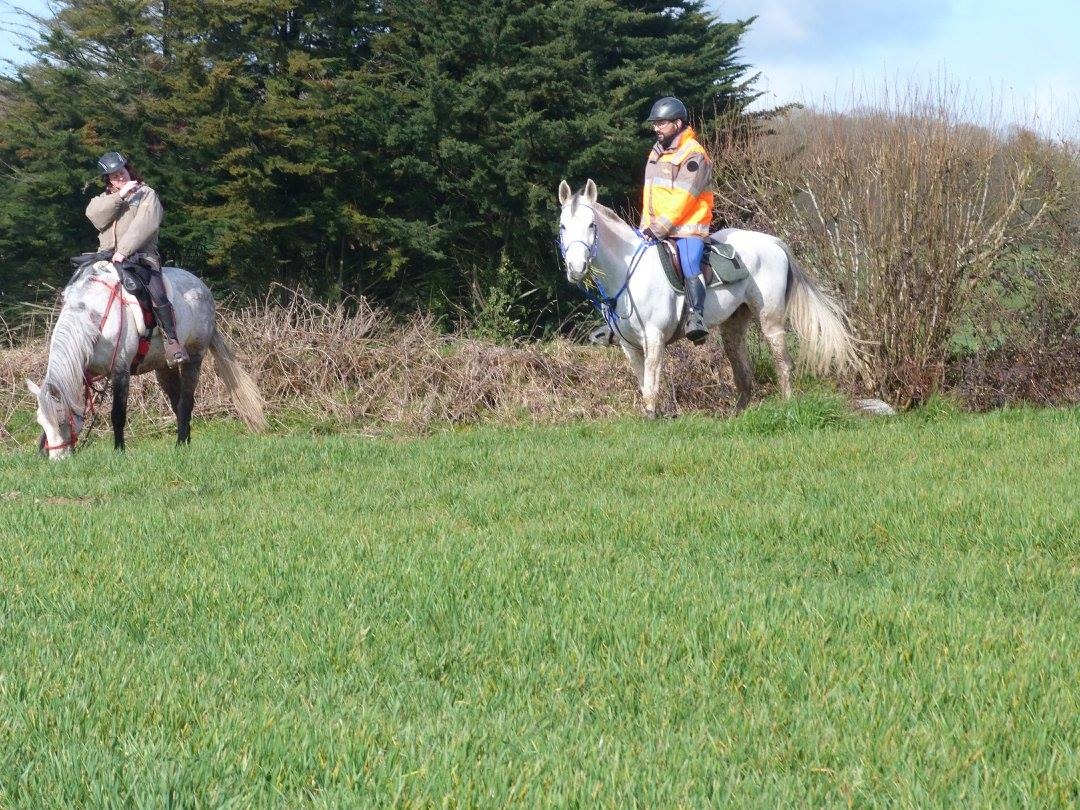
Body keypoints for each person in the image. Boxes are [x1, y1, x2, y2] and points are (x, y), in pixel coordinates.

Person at [85, 150, 189, 366]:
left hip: (141, 258)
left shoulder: (146, 194)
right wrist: (120, 196)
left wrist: (123, 251)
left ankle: (172, 341)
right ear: (108, 180)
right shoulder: (103, 200)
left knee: (157, 292)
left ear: (128, 170)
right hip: (107, 258)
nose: (120, 177)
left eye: (122, 172)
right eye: (114, 176)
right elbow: (94, 216)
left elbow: (144, 225)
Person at [639, 96, 714, 344]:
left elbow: (683, 197)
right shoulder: (657, 152)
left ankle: (696, 317)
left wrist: (659, 228)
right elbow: (650, 194)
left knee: (690, 261)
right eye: (655, 123)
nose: (656, 128)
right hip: (656, 227)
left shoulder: (694, 153)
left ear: (678, 123)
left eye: (661, 123)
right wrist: (645, 227)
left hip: (687, 227)